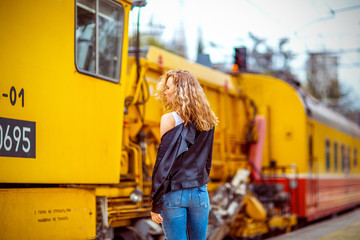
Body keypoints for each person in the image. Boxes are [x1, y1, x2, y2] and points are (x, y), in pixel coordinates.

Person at [149, 69, 218, 240]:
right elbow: (207, 162)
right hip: (200, 193)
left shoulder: (169, 119)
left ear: (180, 90)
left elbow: (164, 164)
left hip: (175, 193)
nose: (164, 92)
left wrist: (155, 202)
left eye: (168, 87)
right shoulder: (209, 120)